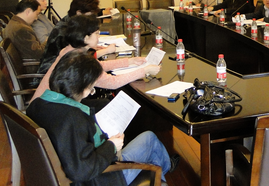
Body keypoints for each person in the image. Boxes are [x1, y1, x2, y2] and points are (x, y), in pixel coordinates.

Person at [27, 51, 179, 186]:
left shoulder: (36, 105)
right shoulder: (73, 119)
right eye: (92, 87)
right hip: (101, 179)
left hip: (66, 170)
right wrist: (111, 146)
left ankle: (161, 177)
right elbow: (82, 171)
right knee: (150, 139)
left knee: (151, 151)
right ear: (84, 88)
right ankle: (164, 173)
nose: (91, 92)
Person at [32, 14, 159, 101]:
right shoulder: (78, 59)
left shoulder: (71, 49)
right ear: (85, 38)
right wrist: (144, 71)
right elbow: (113, 83)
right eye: (96, 34)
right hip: (52, 110)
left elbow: (99, 65)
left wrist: (130, 61)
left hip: (46, 104)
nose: (99, 37)